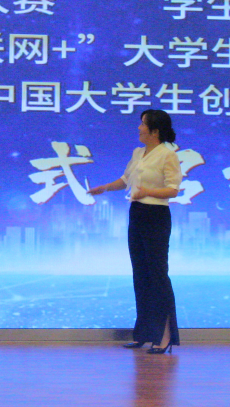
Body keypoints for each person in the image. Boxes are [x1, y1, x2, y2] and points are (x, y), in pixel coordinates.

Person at [88, 109, 183, 354]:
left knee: (158, 275)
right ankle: (144, 334)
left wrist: (148, 192)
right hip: (137, 213)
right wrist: (104, 188)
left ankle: (164, 335)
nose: (139, 128)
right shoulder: (138, 153)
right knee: (140, 275)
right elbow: (125, 180)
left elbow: (173, 189)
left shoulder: (168, 154)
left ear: (155, 130)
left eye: (143, 124)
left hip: (156, 215)